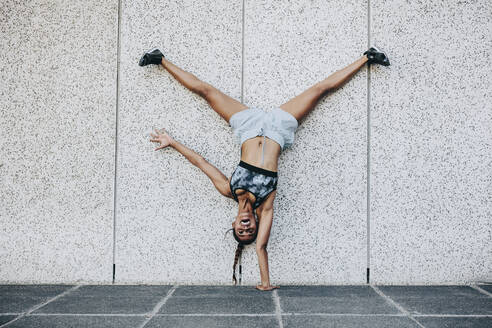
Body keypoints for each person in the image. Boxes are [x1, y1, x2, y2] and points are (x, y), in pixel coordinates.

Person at [143, 46, 390, 291]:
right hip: (278, 128)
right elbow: (261, 247)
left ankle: (160, 58)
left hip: (247, 125)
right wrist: (265, 283)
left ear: (234, 223)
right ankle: (367, 57)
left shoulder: (228, 188)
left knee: (206, 91)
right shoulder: (266, 203)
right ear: (255, 225)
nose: (246, 228)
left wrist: (173, 142)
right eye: (249, 231)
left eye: (241, 231)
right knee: (320, 90)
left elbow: (201, 163)